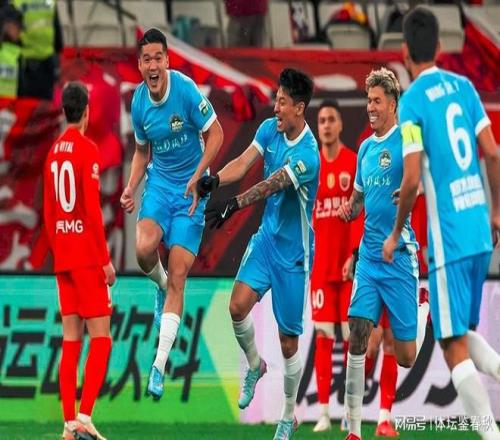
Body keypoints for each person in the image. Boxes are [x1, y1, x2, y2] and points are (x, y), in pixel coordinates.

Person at [382, 7, 500, 440]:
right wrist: (496, 212)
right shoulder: (464, 88)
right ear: (438, 46)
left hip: (448, 239)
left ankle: (491, 436)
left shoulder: (412, 102)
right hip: (479, 230)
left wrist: (394, 233)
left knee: (451, 348)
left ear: (403, 52)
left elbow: (412, 176)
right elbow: (493, 153)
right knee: (458, 333)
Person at [197, 68, 317, 440]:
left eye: (282, 102)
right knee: (236, 307)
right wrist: (216, 180)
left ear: (299, 108)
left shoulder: (308, 155)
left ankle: (287, 416)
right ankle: (254, 365)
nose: (275, 107)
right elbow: (244, 162)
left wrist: (234, 204)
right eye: (276, 100)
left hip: (293, 257)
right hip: (266, 242)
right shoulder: (269, 129)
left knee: (288, 341)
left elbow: (271, 185)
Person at [119, 28, 223, 400]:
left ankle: (158, 367)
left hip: (191, 192)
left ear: (167, 60)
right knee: (143, 249)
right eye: (146, 59)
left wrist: (199, 175)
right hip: (160, 187)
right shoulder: (138, 103)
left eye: (158, 58)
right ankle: (160, 286)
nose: (153, 66)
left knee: (180, 274)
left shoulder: (186, 90)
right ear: (140, 65)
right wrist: (131, 186)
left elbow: (216, 134)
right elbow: (141, 152)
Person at [337, 67, 429, 440]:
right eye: (368, 101)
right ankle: (354, 430)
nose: (370, 107)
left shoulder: (407, 137)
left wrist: (415, 189)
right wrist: (350, 208)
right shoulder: (365, 148)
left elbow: (422, 178)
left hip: (400, 257)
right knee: (358, 333)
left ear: (393, 104)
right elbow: (359, 198)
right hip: (370, 259)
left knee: (406, 357)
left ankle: (422, 310)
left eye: (377, 101)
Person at [43, 81, 115, 440]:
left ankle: (69, 424)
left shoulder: (52, 154)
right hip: (86, 256)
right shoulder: (87, 150)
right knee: (101, 338)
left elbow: (48, 213)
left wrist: (61, 250)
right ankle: (85, 416)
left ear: (63, 112)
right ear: (86, 112)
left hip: (64, 257)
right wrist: (104, 260)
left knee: (71, 339)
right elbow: (91, 210)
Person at [309, 99, 361, 433]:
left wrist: (354, 255)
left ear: (340, 125)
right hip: (320, 267)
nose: (326, 125)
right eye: (322, 120)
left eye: (332, 119)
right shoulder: (310, 166)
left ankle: (350, 411)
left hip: (348, 266)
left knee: (352, 339)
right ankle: (324, 413)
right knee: (323, 336)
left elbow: (360, 214)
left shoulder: (353, 163)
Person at [14, 0, 63, 100]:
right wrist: (57, 62)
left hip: (26, 63)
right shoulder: (50, 2)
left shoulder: (17, 2)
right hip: (47, 61)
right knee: (45, 103)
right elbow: (57, 31)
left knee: (26, 103)